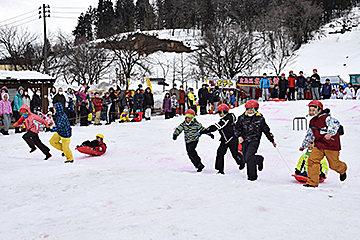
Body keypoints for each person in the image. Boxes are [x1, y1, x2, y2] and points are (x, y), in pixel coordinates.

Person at [299, 100, 347, 187]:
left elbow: (335, 124)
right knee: (312, 160)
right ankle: (312, 182)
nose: (311, 112)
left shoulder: (327, 118)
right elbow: (310, 134)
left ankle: (342, 169)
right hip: (319, 145)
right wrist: (304, 145)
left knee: (333, 164)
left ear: (319, 110)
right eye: (310, 110)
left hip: (331, 145)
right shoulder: (312, 122)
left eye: (313, 110)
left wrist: (330, 133)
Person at [234, 100, 277, 181]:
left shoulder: (260, 118)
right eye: (248, 109)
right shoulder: (242, 118)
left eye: (251, 110)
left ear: (256, 109)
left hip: (254, 140)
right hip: (244, 140)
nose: (249, 111)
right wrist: (239, 136)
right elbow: (236, 128)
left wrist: (272, 140)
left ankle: (252, 177)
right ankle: (259, 159)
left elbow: (266, 130)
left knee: (249, 157)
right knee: (245, 159)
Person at [200, 104, 245, 174]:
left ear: (225, 112)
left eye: (220, 112)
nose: (219, 114)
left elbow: (217, 126)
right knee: (220, 153)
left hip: (232, 139)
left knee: (235, 153)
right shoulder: (224, 119)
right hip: (224, 139)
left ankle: (242, 162)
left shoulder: (227, 119)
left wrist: (206, 130)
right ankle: (220, 170)